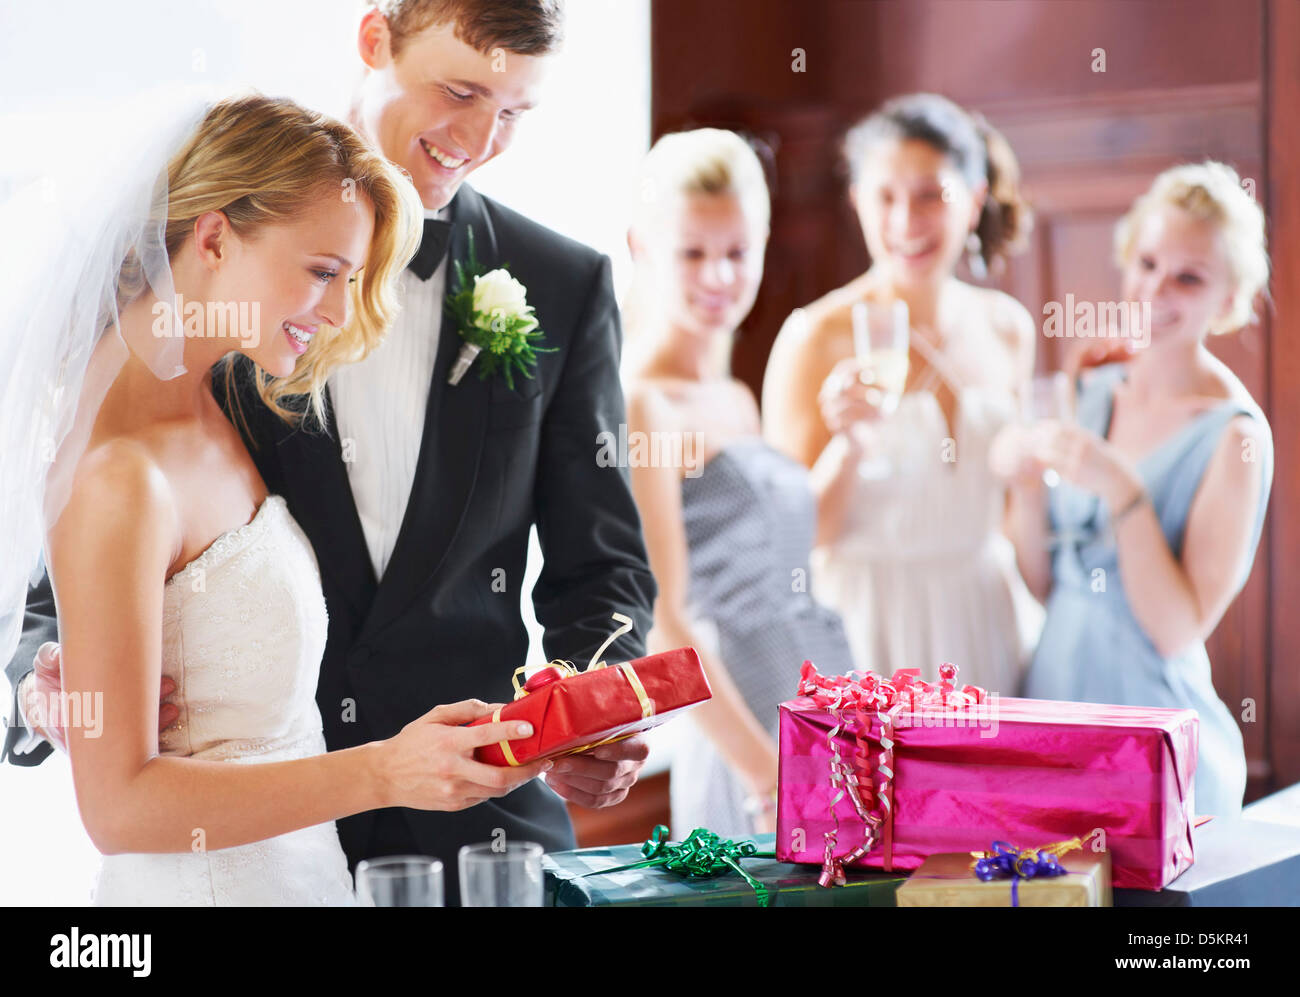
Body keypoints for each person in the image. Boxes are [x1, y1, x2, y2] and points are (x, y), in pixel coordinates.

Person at [4, 0, 657, 905]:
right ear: (374, 39)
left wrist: (591, 710)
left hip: (480, 828)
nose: (480, 135)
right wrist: (56, 694)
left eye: (513, 111)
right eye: (461, 90)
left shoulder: (564, 283)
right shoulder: (221, 302)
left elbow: (602, 566)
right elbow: (59, 587)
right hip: (244, 835)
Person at [996, 162, 1272, 818]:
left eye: (1188, 277)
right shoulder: (1090, 387)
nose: (1154, 291)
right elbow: (1046, 582)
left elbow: (1177, 627)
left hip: (1150, 731)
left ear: (1228, 299)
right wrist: (1026, 489)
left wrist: (1123, 490)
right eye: (1146, 263)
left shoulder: (1235, 434)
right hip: (1050, 706)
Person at [762, 93, 1038, 694]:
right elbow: (794, 542)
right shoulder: (817, 336)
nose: (905, 222)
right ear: (858, 202)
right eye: (885, 196)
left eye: (930, 196)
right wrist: (850, 445)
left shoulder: (1007, 327)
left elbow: (1017, 517)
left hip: (984, 616)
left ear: (974, 200)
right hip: (868, 626)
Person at [622, 129, 853, 838]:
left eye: (737, 252)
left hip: (822, 699)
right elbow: (665, 623)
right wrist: (765, 771)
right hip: (743, 728)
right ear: (642, 247)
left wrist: (853, 440)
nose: (719, 276)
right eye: (693, 252)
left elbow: (801, 546)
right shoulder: (644, 404)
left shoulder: (734, 395)